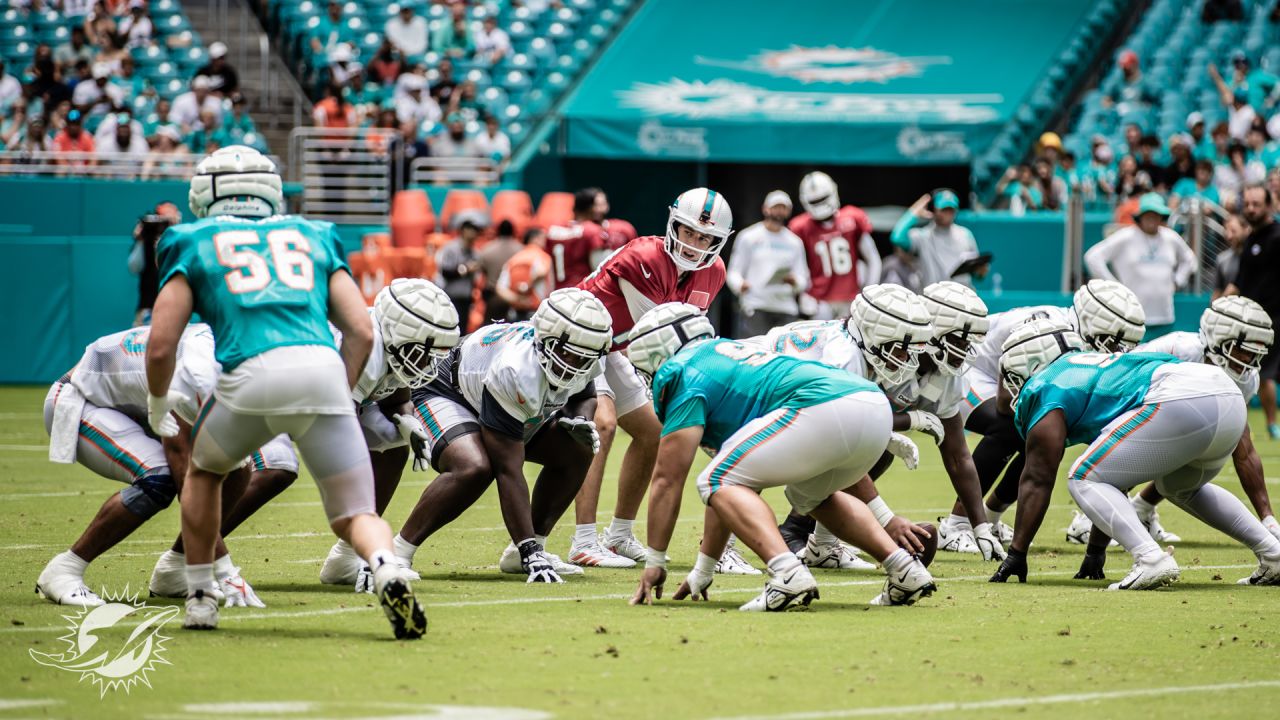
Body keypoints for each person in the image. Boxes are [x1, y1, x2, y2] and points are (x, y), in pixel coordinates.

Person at [143, 145, 426, 638]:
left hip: (248, 374)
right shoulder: (311, 234)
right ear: (271, 189)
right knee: (357, 512)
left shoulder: (189, 239)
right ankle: (385, 568)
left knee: (206, 473)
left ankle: (201, 595)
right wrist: (338, 388)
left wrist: (157, 400)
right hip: (319, 368)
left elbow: (161, 345)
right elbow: (360, 329)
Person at [624, 303, 937, 611]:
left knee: (716, 479)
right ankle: (905, 569)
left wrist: (655, 560)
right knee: (811, 496)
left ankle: (787, 572)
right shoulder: (725, 355)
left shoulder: (682, 371)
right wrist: (703, 570)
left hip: (825, 405)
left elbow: (668, 478)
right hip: (873, 405)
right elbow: (726, 490)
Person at [989, 318, 1280, 589]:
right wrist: (1095, 551)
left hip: (1181, 397)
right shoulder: (1097, 367)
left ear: (1030, 366)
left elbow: (1038, 478)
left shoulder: (1046, 384)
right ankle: (1273, 554)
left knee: (1082, 476)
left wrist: (1017, 553)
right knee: (1180, 487)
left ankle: (1151, 558)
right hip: (1226, 395)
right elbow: (1117, 476)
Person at [35, 324, 277, 607]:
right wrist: (225, 570)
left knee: (237, 468)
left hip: (137, 407)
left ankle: (175, 569)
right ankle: (65, 569)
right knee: (159, 477)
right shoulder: (196, 372)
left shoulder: (238, 353)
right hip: (81, 400)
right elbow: (186, 478)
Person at [756, 285, 987, 566]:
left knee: (870, 449)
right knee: (757, 463)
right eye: (960, 342)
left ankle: (823, 545)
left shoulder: (879, 354)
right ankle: (722, 549)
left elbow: (957, 453)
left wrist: (981, 526)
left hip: (790, 394)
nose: (908, 356)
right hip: (759, 386)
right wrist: (886, 519)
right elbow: (843, 438)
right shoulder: (846, 357)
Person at [391, 289, 612, 583]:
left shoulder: (586, 351)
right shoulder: (515, 369)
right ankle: (398, 552)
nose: (572, 363)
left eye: (583, 358)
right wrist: (527, 549)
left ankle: (531, 548)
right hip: (449, 391)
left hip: (503, 399)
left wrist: (581, 420)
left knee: (578, 449)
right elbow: (508, 468)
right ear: (544, 338)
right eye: (566, 351)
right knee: (474, 467)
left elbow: (585, 392)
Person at [567, 188, 732, 568]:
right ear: (673, 225)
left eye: (704, 237)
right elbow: (659, 343)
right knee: (602, 424)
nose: (694, 244)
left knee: (654, 432)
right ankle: (583, 540)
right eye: (688, 232)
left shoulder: (715, 271)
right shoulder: (644, 257)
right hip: (581, 339)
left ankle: (620, 534)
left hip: (615, 348)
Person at [943, 280, 1147, 546]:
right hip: (975, 370)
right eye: (1115, 341)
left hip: (1004, 380)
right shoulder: (1047, 327)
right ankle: (957, 524)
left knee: (1046, 441)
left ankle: (991, 517)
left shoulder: (1079, 334)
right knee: (1009, 427)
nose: (1119, 351)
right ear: (1093, 320)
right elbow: (1006, 396)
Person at [1082, 297, 1280, 565]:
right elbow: (1125, 385)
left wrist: (1267, 517)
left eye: (1256, 354)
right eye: (1244, 351)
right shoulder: (1176, 349)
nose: (1250, 362)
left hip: (1186, 428)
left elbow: (1243, 450)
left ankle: (1140, 510)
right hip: (1139, 408)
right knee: (1128, 461)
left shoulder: (1246, 378)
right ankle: (1100, 514)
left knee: (1187, 469)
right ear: (1218, 339)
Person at [1084, 193, 1195, 337]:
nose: (1152, 218)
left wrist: (1178, 280)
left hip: (1165, 317)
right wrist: (1115, 288)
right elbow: (1092, 257)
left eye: (1156, 214)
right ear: (1140, 216)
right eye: (1148, 214)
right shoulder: (1126, 236)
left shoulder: (1171, 237)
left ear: (1162, 216)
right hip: (1133, 319)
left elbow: (1190, 258)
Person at [1227, 184, 1280, 439]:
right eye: (1247, 204)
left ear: (1269, 205)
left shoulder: (1277, 237)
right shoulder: (1251, 239)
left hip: (1273, 321)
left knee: (1261, 375)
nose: (1251, 209)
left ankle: (1269, 425)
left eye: (1257, 204)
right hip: (1250, 323)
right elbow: (1239, 281)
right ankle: (1243, 428)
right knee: (1251, 375)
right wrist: (1220, 307)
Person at [789, 171, 878, 319]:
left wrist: (868, 293)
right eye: (814, 201)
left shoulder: (852, 217)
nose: (820, 204)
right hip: (819, 301)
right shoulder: (800, 227)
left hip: (851, 298)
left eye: (823, 198)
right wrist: (801, 294)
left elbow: (873, 259)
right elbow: (796, 265)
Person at [724, 190, 808, 338]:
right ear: (765, 208)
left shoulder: (795, 242)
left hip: (785, 309)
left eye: (783, 207)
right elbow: (733, 272)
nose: (779, 211)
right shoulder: (748, 237)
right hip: (756, 306)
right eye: (776, 207)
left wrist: (794, 281)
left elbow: (804, 278)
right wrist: (740, 285)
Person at [889, 189, 986, 288]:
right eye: (944, 209)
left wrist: (980, 272)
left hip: (962, 296)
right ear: (934, 210)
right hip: (934, 298)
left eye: (951, 210)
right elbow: (897, 237)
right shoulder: (922, 236)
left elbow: (976, 274)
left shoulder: (965, 234)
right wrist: (913, 213)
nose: (948, 214)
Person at [546, 186, 608, 290]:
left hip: (557, 292)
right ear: (590, 208)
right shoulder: (592, 230)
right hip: (582, 293)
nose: (603, 209)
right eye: (598, 205)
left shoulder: (553, 230)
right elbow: (599, 269)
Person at [495, 228, 552, 321]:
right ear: (535, 238)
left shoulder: (513, 259)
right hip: (537, 312)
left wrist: (517, 299)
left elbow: (500, 288)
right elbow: (541, 272)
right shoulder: (542, 256)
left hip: (515, 312)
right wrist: (528, 285)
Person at [436, 214, 484, 325]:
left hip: (466, 298)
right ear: (464, 230)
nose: (475, 233)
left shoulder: (476, 253)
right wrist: (465, 269)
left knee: (462, 330)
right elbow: (445, 272)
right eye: (472, 229)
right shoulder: (451, 248)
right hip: (450, 297)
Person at [476, 219, 523, 321]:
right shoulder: (520, 249)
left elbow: (482, 272)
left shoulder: (487, 249)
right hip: (515, 297)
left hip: (493, 297)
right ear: (513, 231)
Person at [1214, 213, 1249, 300]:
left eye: (1233, 231)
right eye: (1226, 230)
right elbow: (1217, 292)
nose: (1229, 236)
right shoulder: (1222, 259)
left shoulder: (1258, 256)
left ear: (1246, 230)